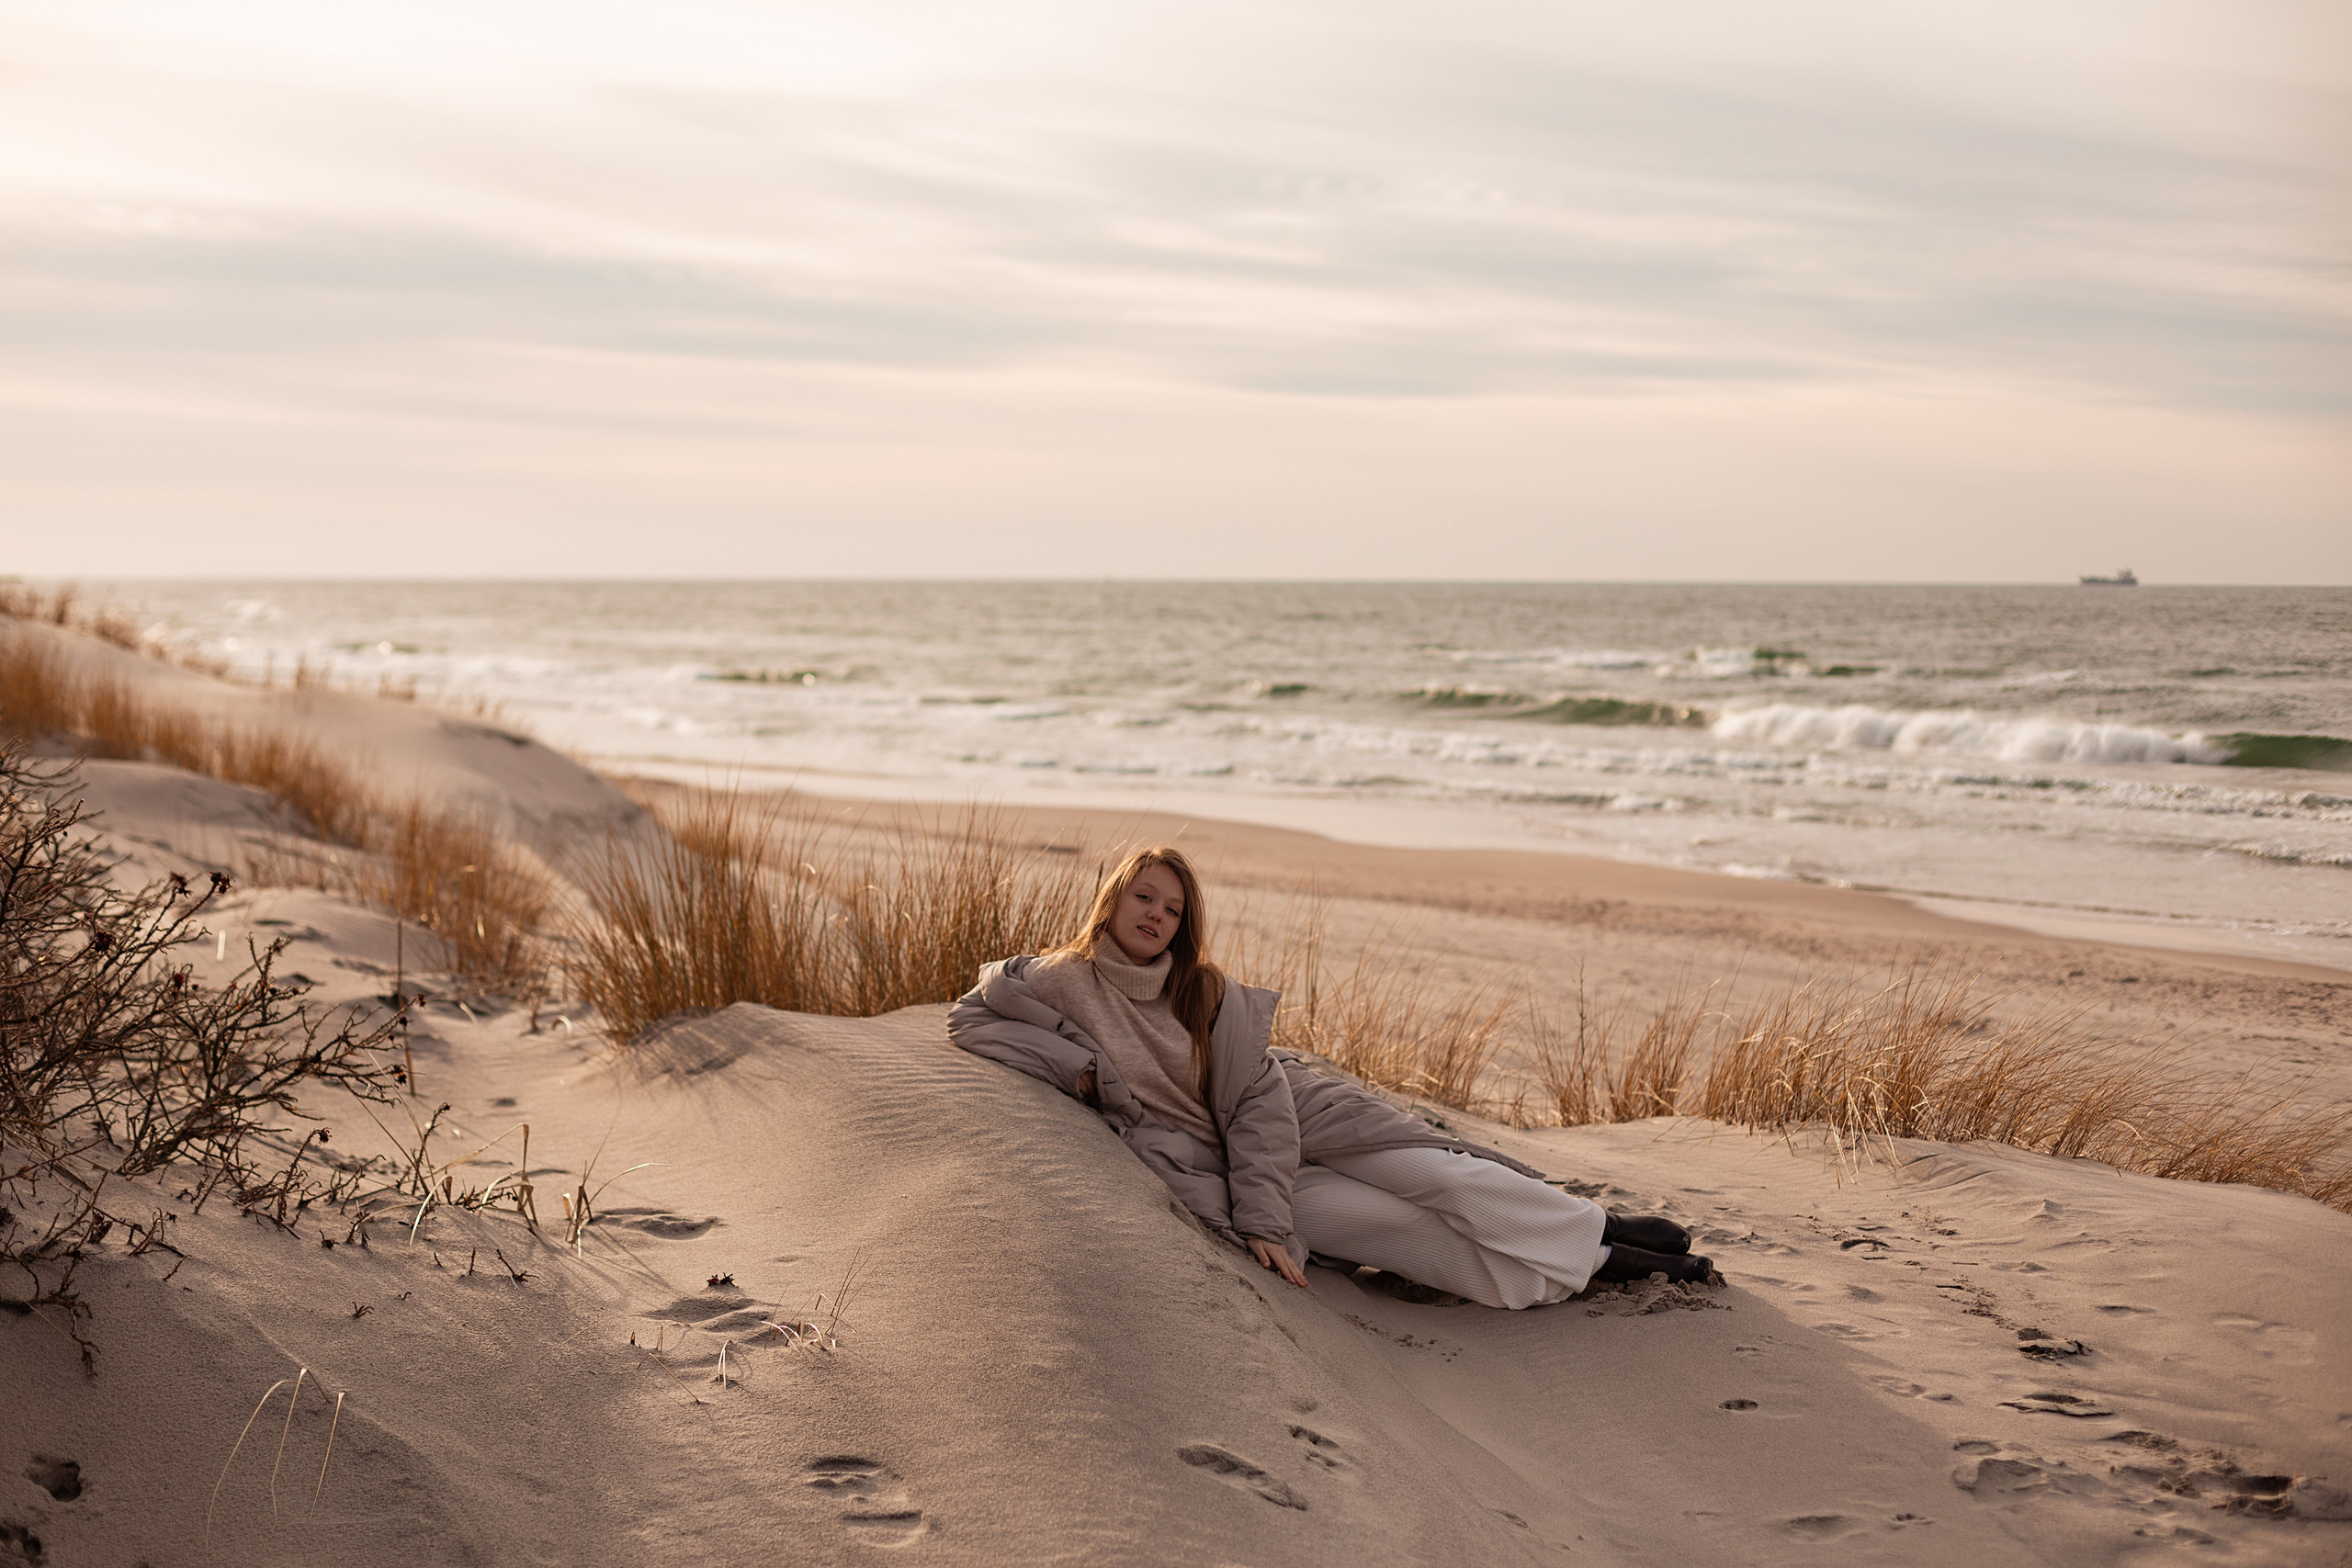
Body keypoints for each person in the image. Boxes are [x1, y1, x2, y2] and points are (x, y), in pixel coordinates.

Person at [946, 846, 1716, 1308]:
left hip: (1296, 1126)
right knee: (1413, 1233)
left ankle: (1595, 1227)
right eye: (1144, 897)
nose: (1156, 915)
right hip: (1224, 1167)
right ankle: (1603, 1269)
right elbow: (970, 1018)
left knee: (1440, 1178)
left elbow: (1257, 1098)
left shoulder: (1201, 991)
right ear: (1112, 898)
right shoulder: (1055, 979)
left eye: (1174, 909)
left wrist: (1262, 1213)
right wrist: (1078, 1066)